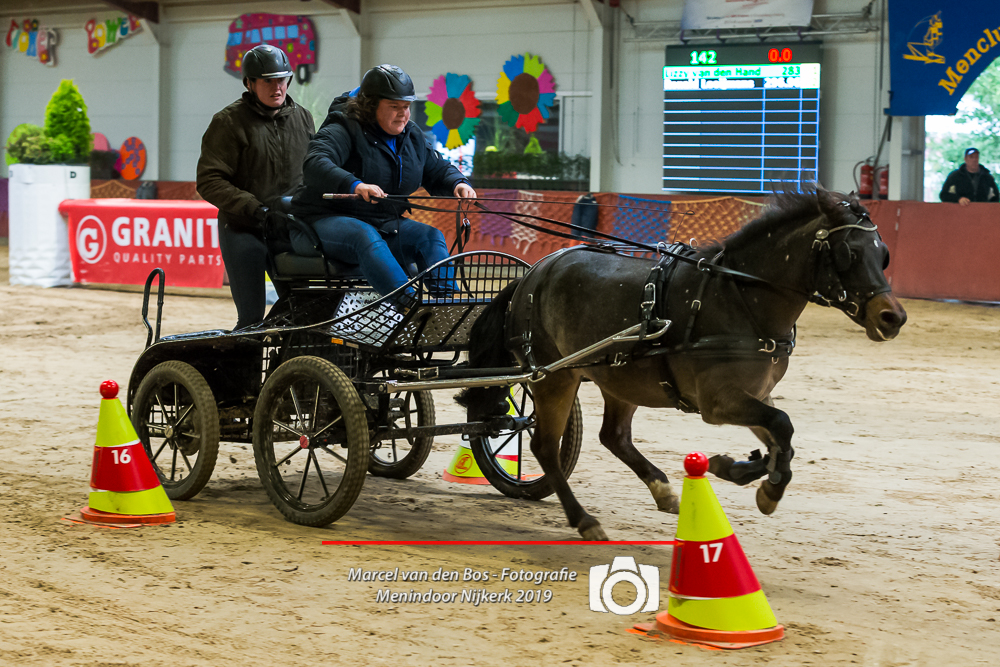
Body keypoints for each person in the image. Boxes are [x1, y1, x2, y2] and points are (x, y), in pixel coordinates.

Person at [289, 64, 475, 304]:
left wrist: (456, 182)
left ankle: (448, 310)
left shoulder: (412, 135)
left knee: (430, 237)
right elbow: (315, 162)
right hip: (321, 220)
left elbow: (435, 167)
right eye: (394, 106)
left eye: (406, 107)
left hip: (382, 223)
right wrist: (355, 185)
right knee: (363, 236)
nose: (403, 114)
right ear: (371, 105)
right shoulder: (343, 126)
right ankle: (411, 309)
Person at [196, 44, 315, 330]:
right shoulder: (227, 122)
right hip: (243, 229)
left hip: (287, 228)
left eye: (282, 79)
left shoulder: (303, 118)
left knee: (302, 310)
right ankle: (244, 371)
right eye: (268, 81)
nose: (277, 87)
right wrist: (255, 208)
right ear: (249, 83)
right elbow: (209, 181)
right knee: (251, 316)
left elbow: (312, 171)